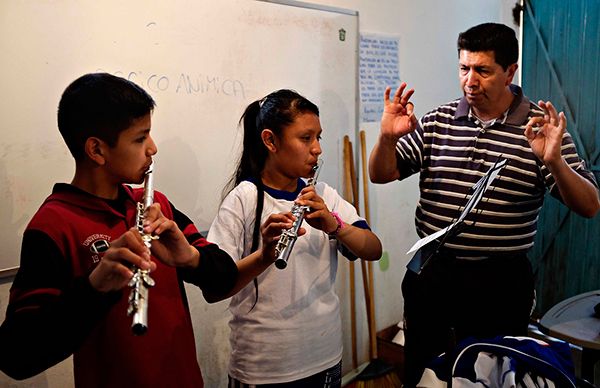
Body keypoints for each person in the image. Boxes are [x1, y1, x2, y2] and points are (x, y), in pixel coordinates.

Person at [0, 73, 279, 388]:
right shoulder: (53, 225)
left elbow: (225, 280)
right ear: (96, 150)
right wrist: (94, 288)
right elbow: (17, 357)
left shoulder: (155, 205)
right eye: (140, 138)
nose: (153, 148)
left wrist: (190, 258)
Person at [368, 23, 600, 387]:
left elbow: (590, 205)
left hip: (500, 281)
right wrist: (385, 137)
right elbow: (380, 174)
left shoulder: (540, 129)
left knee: (491, 373)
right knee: (422, 371)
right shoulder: (438, 121)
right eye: (464, 68)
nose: (470, 81)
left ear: (510, 71)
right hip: (432, 274)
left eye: (483, 70)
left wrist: (554, 161)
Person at [207, 89, 383, 387]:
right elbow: (214, 288)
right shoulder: (244, 200)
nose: (317, 150)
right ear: (270, 141)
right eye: (305, 138)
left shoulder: (323, 195)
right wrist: (264, 257)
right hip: (264, 367)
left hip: (324, 356)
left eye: (319, 138)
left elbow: (373, 249)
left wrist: (336, 226)